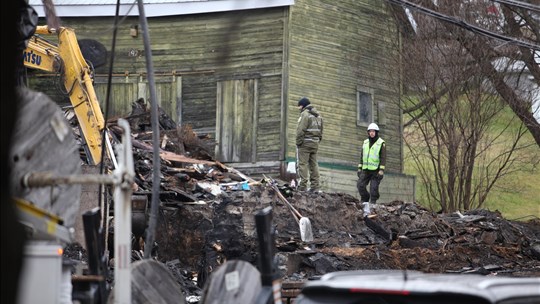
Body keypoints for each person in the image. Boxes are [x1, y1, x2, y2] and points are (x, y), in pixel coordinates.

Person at [357, 123, 386, 215]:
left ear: (376, 132)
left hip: (376, 170)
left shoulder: (381, 143)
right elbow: (362, 156)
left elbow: (383, 157)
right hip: (366, 169)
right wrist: (359, 167)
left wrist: (381, 170)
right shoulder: (365, 142)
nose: (372, 133)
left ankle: (373, 204)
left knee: (373, 188)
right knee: (360, 185)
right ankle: (365, 199)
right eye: (370, 131)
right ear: (368, 132)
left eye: (373, 131)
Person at [296, 97, 323, 192]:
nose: (299, 108)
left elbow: (301, 130)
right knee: (314, 164)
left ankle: (302, 186)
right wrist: (317, 141)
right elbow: (321, 131)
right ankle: (315, 186)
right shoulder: (318, 115)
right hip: (315, 144)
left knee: (302, 164)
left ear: (302, 105)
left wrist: (298, 142)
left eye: (299, 106)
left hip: (305, 144)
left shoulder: (305, 114)